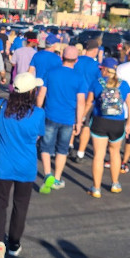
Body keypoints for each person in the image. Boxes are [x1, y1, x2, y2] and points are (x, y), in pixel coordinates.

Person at [0, 72, 45, 258]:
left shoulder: (1, 107)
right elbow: (38, 137)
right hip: (26, 166)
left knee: (0, 203)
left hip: (3, 163)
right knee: (20, 205)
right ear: (32, 92)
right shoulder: (38, 113)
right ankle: (14, 242)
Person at [36, 46, 86, 193]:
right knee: (62, 149)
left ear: (62, 57)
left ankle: (47, 174)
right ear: (76, 60)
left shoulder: (50, 73)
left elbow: (41, 95)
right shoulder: (79, 77)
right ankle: (57, 178)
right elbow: (81, 102)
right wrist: (79, 122)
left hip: (50, 115)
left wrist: (38, 111)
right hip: (68, 118)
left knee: (45, 147)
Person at [83, 57, 130, 198]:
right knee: (115, 153)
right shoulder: (124, 84)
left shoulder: (97, 83)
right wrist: (129, 123)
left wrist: (81, 118)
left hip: (100, 122)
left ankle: (96, 188)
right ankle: (115, 183)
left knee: (99, 155)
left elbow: (88, 103)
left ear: (104, 69)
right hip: (117, 123)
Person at [72, 39, 101, 162]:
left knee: (72, 122)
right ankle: (80, 153)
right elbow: (100, 82)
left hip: (74, 96)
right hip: (88, 99)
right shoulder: (95, 65)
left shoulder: (76, 60)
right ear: (95, 50)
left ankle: (69, 145)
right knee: (86, 126)